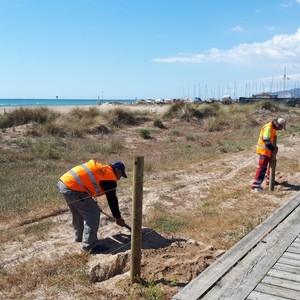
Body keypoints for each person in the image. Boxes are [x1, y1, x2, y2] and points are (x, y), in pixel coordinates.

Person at [57, 160, 127, 254]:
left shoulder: (103, 170)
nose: (119, 178)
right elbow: (112, 200)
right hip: (73, 188)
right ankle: (90, 245)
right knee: (93, 214)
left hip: (64, 183)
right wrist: (118, 217)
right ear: (117, 170)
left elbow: (87, 181)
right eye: (121, 175)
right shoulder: (109, 177)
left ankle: (80, 238)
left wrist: (89, 198)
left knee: (78, 213)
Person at [251, 117, 286, 192]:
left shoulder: (273, 128)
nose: (281, 129)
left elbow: (271, 140)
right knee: (262, 168)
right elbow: (266, 140)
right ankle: (255, 186)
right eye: (281, 127)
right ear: (278, 124)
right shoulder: (268, 128)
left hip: (268, 151)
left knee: (272, 165)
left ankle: (269, 181)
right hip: (264, 152)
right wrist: (273, 149)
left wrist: (274, 148)